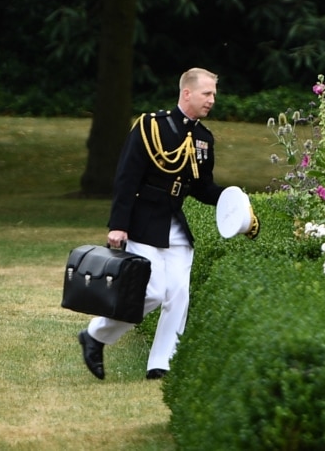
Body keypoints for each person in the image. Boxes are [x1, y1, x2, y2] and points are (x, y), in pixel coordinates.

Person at [77, 67, 257, 381]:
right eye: (207, 94)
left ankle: (162, 364)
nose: (212, 100)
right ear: (187, 93)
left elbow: (203, 188)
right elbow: (126, 177)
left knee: (178, 295)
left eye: (214, 94)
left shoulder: (203, 139)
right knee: (153, 293)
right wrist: (118, 225)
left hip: (175, 226)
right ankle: (95, 335)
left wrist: (238, 205)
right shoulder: (150, 127)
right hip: (143, 222)